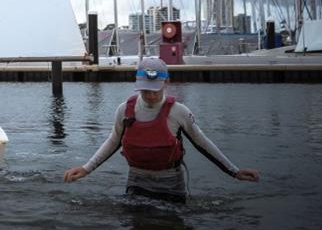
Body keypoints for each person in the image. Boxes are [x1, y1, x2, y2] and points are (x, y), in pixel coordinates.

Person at [63, 57, 260, 202]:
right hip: (136, 182)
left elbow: (202, 143)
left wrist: (234, 172)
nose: (150, 96)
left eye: (155, 90)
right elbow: (113, 141)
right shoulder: (124, 110)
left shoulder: (179, 112)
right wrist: (86, 168)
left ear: (167, 82)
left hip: (171, 185)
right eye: (145, 90)